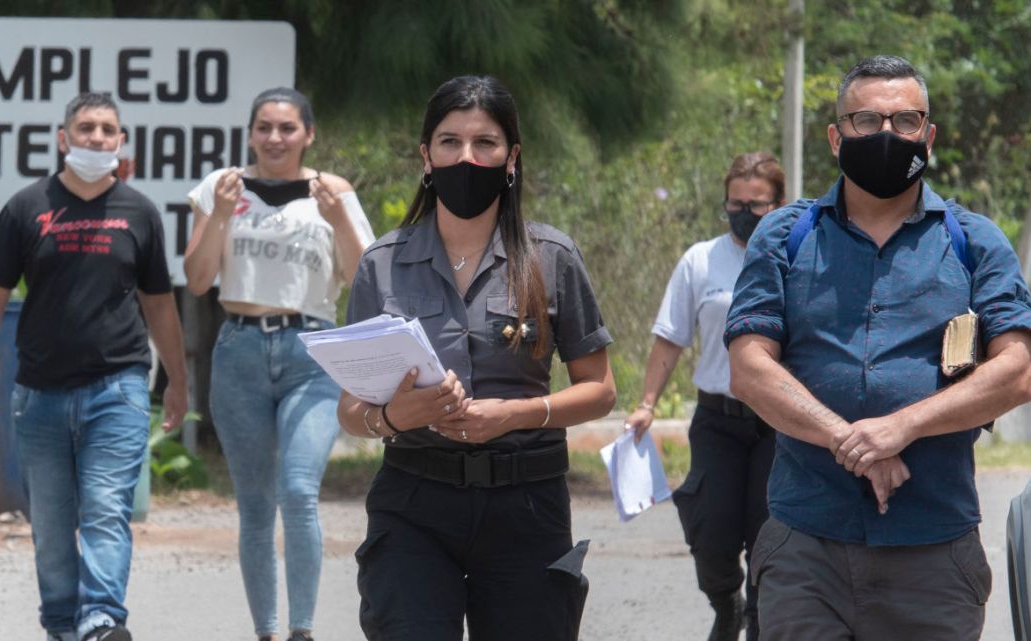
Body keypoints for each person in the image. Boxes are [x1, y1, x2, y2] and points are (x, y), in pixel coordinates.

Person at [725, 54, 1031, 641]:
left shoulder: (974, 242)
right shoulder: (785, 236)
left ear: (929, 135)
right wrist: (855, 440)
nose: (887, 135)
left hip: (934, 549)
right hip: (805, 548)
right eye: (866, 121)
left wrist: (903, 427)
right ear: (837, 138)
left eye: (904, 121)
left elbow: (1017, 370)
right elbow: (749, 368)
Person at [335, 75, 616, 641]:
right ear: (426, 156)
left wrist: (513, 414)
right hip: (413, 499)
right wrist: (393, 417)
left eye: (485, 143)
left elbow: (600, 390)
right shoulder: (381, 264)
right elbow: (350, 409)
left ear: (511, 158)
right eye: (449, 142)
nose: (467, 156)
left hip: (526, 504)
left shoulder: (551, 257)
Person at [0, 92, 188, 641]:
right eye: (86, 128)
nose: (97, 138)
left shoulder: (140, 212)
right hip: (40, 394)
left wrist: (177, 378)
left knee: (106, 508)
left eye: (108, 129)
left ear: (121, 142)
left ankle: (103, 618)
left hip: (120, 387)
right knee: (53, 528)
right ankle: (63, 625)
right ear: (64, 138)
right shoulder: (26, 206)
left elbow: (159, 303)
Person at [183, 87, 375, 641]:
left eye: (287, 128)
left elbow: (366, 278)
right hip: (239, 348)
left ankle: (302, 631)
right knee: (255, 504)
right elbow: (197, 278)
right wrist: (219, 214)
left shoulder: (332, 191)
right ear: (250, 133)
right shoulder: (221, 187)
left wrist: (338, 218)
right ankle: (266, 631)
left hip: (311, 349)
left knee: (297, 488)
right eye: (264, 127)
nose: (274, 138)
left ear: (308, 134)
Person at [626, 152, 785, 641]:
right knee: (710, 530)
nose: (744, 213)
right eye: (735, 203)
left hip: (777, 422)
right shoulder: (701, 259)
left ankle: (760, 621)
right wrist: (648, 403)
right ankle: (725, 602)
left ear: (778, 204)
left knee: (769, 534)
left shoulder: (797, 256)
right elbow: (671, 337)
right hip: (717, 418)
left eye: (756, 205)